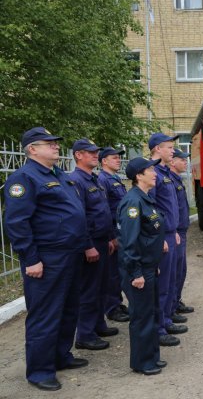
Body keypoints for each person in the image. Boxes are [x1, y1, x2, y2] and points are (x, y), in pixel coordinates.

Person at [4, 127, 89, 391]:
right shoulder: (24, 178)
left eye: (55, 143)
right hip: (47, 256)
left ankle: (61, 356)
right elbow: (17, 222)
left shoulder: (58, 175)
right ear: (32, 149)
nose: (55, 146)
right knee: (45, 313)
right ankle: (40, 371)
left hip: (70, 253)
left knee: (69, 308)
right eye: (49, 143)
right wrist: (31, 259)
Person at [117, 157, 168, 375]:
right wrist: (136, 273)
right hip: (138, 271)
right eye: (150, 170)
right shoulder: (133, 202)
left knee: (151, 314)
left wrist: (152, 264)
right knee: (141, 317)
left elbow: (149, 235)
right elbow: (129, 242)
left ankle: (152, 357)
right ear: (139, 176)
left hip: (148, 267)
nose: (155, 173)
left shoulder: (144, 199)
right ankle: (142, 362)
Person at [70, 139, 117, 351]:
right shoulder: (76, 181)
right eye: (90, 152)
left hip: (102, 240)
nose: (95, 155)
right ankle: (85, 334)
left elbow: (103, 211)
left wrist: (109, 237)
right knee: (89, 290)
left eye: (96, 152)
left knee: (101, 286)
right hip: (90, 243)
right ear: (78, 155)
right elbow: (80, 217)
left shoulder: (95, 179)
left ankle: (98, 324)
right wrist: (88, 245)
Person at [148, 133, 188, 347]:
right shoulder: (152, 172)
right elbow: (151, 207)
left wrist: (172, 231)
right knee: (162, 284)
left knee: (170, 280)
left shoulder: (164, 172)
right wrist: (160, 235)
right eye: (168, 147)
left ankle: (166, 319)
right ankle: (159, 328)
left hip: (171, 233)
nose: (172, 151)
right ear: (157, 149)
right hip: (162, 236)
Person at [97, 146, 130, 323]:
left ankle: (117, 303)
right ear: (104, 161)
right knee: (112, 273)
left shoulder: (114, 178)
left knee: (117, 271)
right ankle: (111, 307)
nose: (118, 160)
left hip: (119, 230)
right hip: (112, 232)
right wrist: (111, 235)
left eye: (119, 157)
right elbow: (105, 210)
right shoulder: (103, 179)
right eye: (114, 157)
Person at [170, 149, 195, 318]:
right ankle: (170, 308)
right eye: (182, 159)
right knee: (174, 272)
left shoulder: (175, 179)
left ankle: (175, 302)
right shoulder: (168, 180)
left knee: (180, 270)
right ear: (172, 162)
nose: (185, 162)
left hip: (180, 230)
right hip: (175, 231)